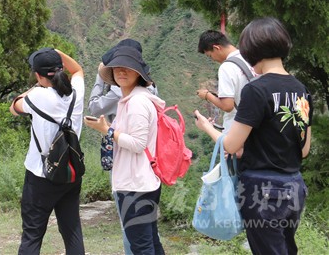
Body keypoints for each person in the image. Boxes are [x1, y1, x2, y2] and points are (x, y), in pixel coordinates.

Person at [194, 17, 311, 255]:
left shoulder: (256, 90)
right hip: (294, 186)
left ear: (251, 51)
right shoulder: (301, 90)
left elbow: (231, 145)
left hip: (263, 190)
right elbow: (304, 149)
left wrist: (206, 126)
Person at [85, 46, 165, 255]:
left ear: (139, 73)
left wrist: (107, 130)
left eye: (128, 68)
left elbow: (138, 144)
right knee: (150, 241)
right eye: (117, 67)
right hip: (141, 180)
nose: (121, 71)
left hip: (134, 184)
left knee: (142, 246)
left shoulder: (137, 102)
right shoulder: (131, 99)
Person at [10, 48, 85, 255]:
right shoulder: (76, 94)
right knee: (72, 230)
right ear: (61, 70)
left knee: (33, 234)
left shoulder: (37, 96)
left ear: (38, 75)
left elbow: (14, 108)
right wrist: (57, 53)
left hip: (40, 176)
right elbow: (78, 71)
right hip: (70, 172)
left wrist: (34, 88)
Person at [195, 30, 257, 131]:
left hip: (238, 127)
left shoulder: (226, 67)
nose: (213, 59)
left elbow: (227, 106)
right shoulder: (250, 56)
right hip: (257, 120)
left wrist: (207, 95)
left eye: (210, 56)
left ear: (217, 48)